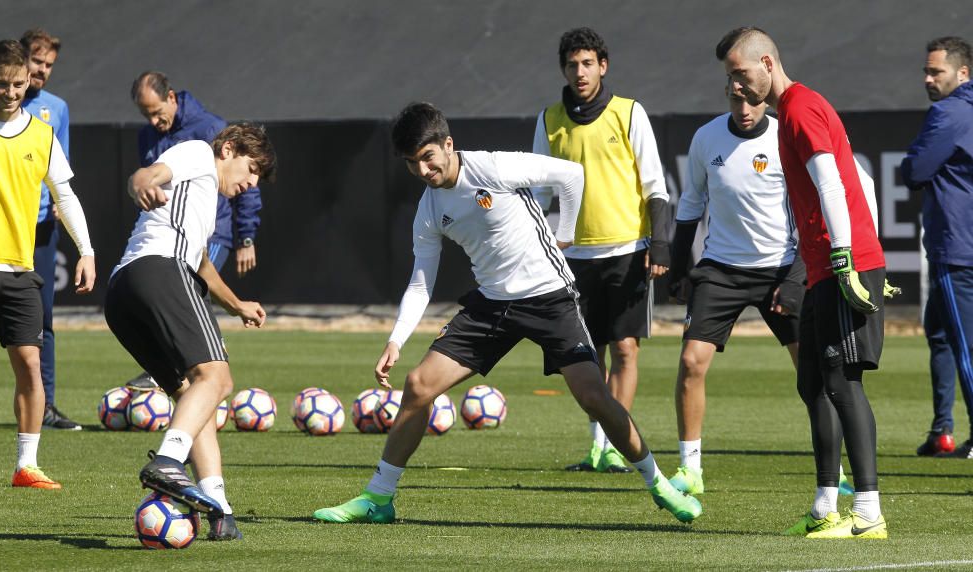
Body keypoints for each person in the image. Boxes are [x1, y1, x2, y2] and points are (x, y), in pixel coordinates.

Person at [312, 102, 701, 525]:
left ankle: (658, 483)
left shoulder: (493, 168)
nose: (423, 170)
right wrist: (395, 340)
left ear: (448, 144)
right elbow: (421, 282)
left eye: (427, 157)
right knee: (419, 385)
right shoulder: (428, 210)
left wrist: (565, 232)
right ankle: (379, 498)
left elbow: (571, 175)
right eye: (412, 164)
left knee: (593, 397)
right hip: (492, 303)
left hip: (550, 296)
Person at [718, 27, 888, 539]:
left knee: (842, 383)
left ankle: (869, 513)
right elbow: (865, 180)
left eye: (741, 74)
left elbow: (835, 181)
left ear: (767, 63)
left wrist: (845, 256)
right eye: (729, 77)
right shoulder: (793, 110)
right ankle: (824, 506)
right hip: (821, 267)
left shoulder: (798, 107)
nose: (736, 87)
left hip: (839, 264)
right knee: (811, 382)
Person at [668, 83, 861, 498]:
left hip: (780, 269)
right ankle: (690, 470)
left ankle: (837, 471)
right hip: (720, 269)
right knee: (690, 362)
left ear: (764, 98)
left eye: (751, 100)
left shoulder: (783, 137)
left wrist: (795, 279)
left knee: (812, 374)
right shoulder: (706, 138)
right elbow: (690, 204)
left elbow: (809, 212)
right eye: (735, 100)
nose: (744, 109)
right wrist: (680, 266)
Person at [104, 123, 275, 540]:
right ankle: (167, 461)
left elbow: (201, 263)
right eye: (250, 170)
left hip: (123, 293)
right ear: (229, 149)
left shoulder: (197, 203)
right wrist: (141, 183)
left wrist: (236, 305)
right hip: (158, 271)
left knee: (191, 396)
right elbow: (146, 175)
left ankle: (219, 508)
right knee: (217, 379)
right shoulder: (199, 153)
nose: (251, 184)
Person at [531, 28, 671, 473]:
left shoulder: (629, 113)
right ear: (564, 70)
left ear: (603, 66)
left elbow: (655, 187)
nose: (580, 72)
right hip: (571, 258)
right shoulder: (550, 120)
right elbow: (538, 195)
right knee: (583, 357)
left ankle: (611, 446)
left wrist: (661, 242)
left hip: (629, 249)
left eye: (588, 63)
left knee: (625, 349)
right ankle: (598, 444)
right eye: (572, 65)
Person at [0, 39, 96, 488]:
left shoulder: (42, 135)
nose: (10, 92)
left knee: (29, 361)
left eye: (18, 84)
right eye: (2, 84)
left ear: (29, 81)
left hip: (20, 269)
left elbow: (65, 195)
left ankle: (27, 465)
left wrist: (86, 250)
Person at [124, 71, 264, 391]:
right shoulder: (147, 136)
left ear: (171, 98)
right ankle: (189, 364)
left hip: (212, 232)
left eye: (158, 112)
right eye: (146, 115)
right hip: (170, 231)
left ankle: (199, 360)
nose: (154, 121)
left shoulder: (209, 128)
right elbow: (148, 179)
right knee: (177, 291)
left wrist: (246, 237)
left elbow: (248, 184)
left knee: (192, 285)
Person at [901, 36, 973, 459]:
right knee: (942, 335)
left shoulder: (949, 112)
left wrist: (918, 164)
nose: (928, 79)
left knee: (964, 348)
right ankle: (941, 430)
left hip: (957, 248)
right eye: (926, 71)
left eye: (936, 71)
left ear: (962, 73)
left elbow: (915, 169)